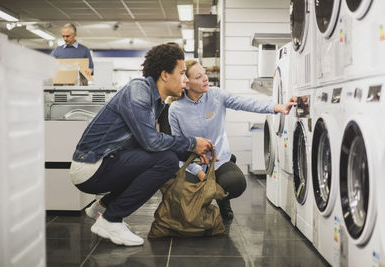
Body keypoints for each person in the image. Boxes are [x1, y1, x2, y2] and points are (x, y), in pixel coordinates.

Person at [69, 44, 213, 247]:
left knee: (162, 159)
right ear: (164, 74)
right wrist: (191, 143)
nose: (186, 80)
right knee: (166, 162)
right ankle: (111, 220)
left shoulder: (157, 100)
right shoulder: (138, 91)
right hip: (91, 166)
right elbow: (152, 142)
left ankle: (101, 208)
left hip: (105, 163)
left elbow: (157, 142)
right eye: (182, 73)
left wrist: (194, 152)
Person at [168, 60, 297, 220]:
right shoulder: (175, 109)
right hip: (193, 163)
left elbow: (246, 103)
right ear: (187, 84)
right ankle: (201, 205)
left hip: (219, 160)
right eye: (199, 76)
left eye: (205, 73)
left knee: (236, 183)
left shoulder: (216, 95)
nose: (205, 78)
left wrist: (277, 107)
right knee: (183, 191)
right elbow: (179, 146)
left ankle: (223, 201)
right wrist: (200, 173)